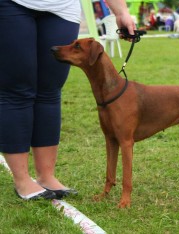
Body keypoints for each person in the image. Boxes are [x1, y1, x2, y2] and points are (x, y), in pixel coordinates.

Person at [0, 0, 135, 200]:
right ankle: (22, 180)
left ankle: (46, 176)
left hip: (62, 7)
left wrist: (121, 10)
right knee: (17, 89)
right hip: (12, 4)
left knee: (50, 90)